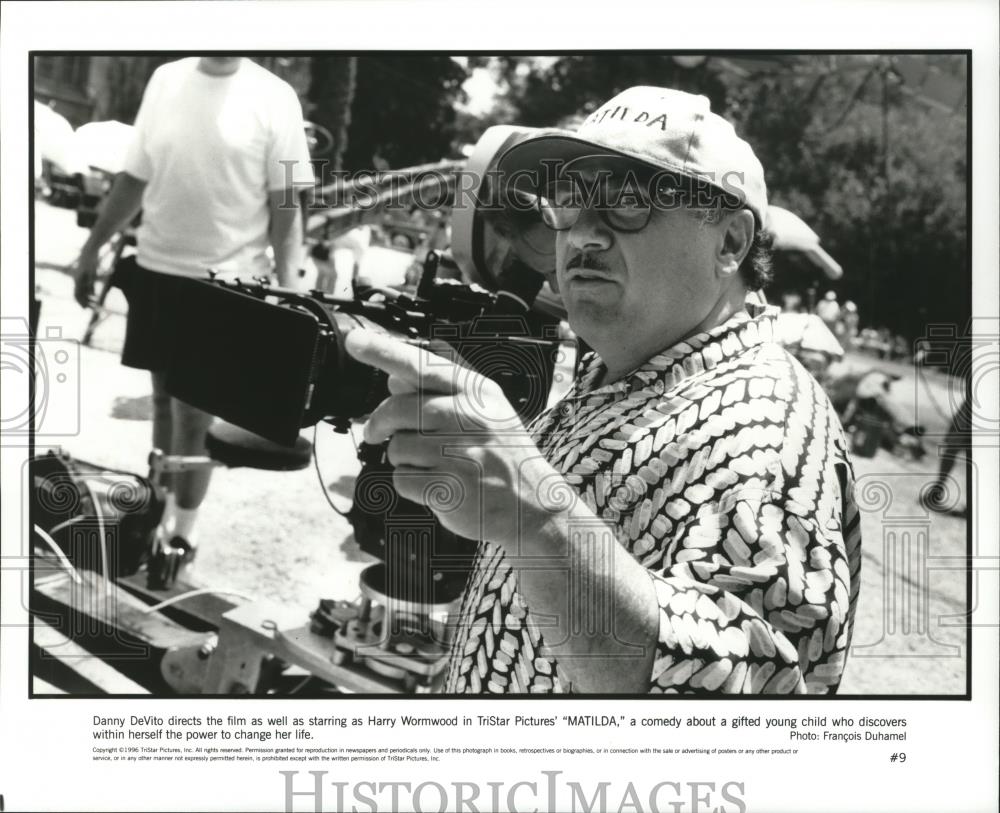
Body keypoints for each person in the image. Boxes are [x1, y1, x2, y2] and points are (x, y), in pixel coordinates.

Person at [345, 86, 862, 694]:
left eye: (623, 202)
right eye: (567, 203)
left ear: (730, 242)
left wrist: (534, 514)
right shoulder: (622, 373)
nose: (582, 235)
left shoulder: (764, 434)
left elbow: (730, 708)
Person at [71, 56, 315, 585]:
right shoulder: (167, 79)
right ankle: (152, 515)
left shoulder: (276, 97)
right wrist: (92, 247)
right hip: (158, 271)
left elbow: (288, 203)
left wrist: (294, 294)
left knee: (193, 418)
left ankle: (183, 530)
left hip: (223, 285)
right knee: (162, 403)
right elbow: (134, 178)